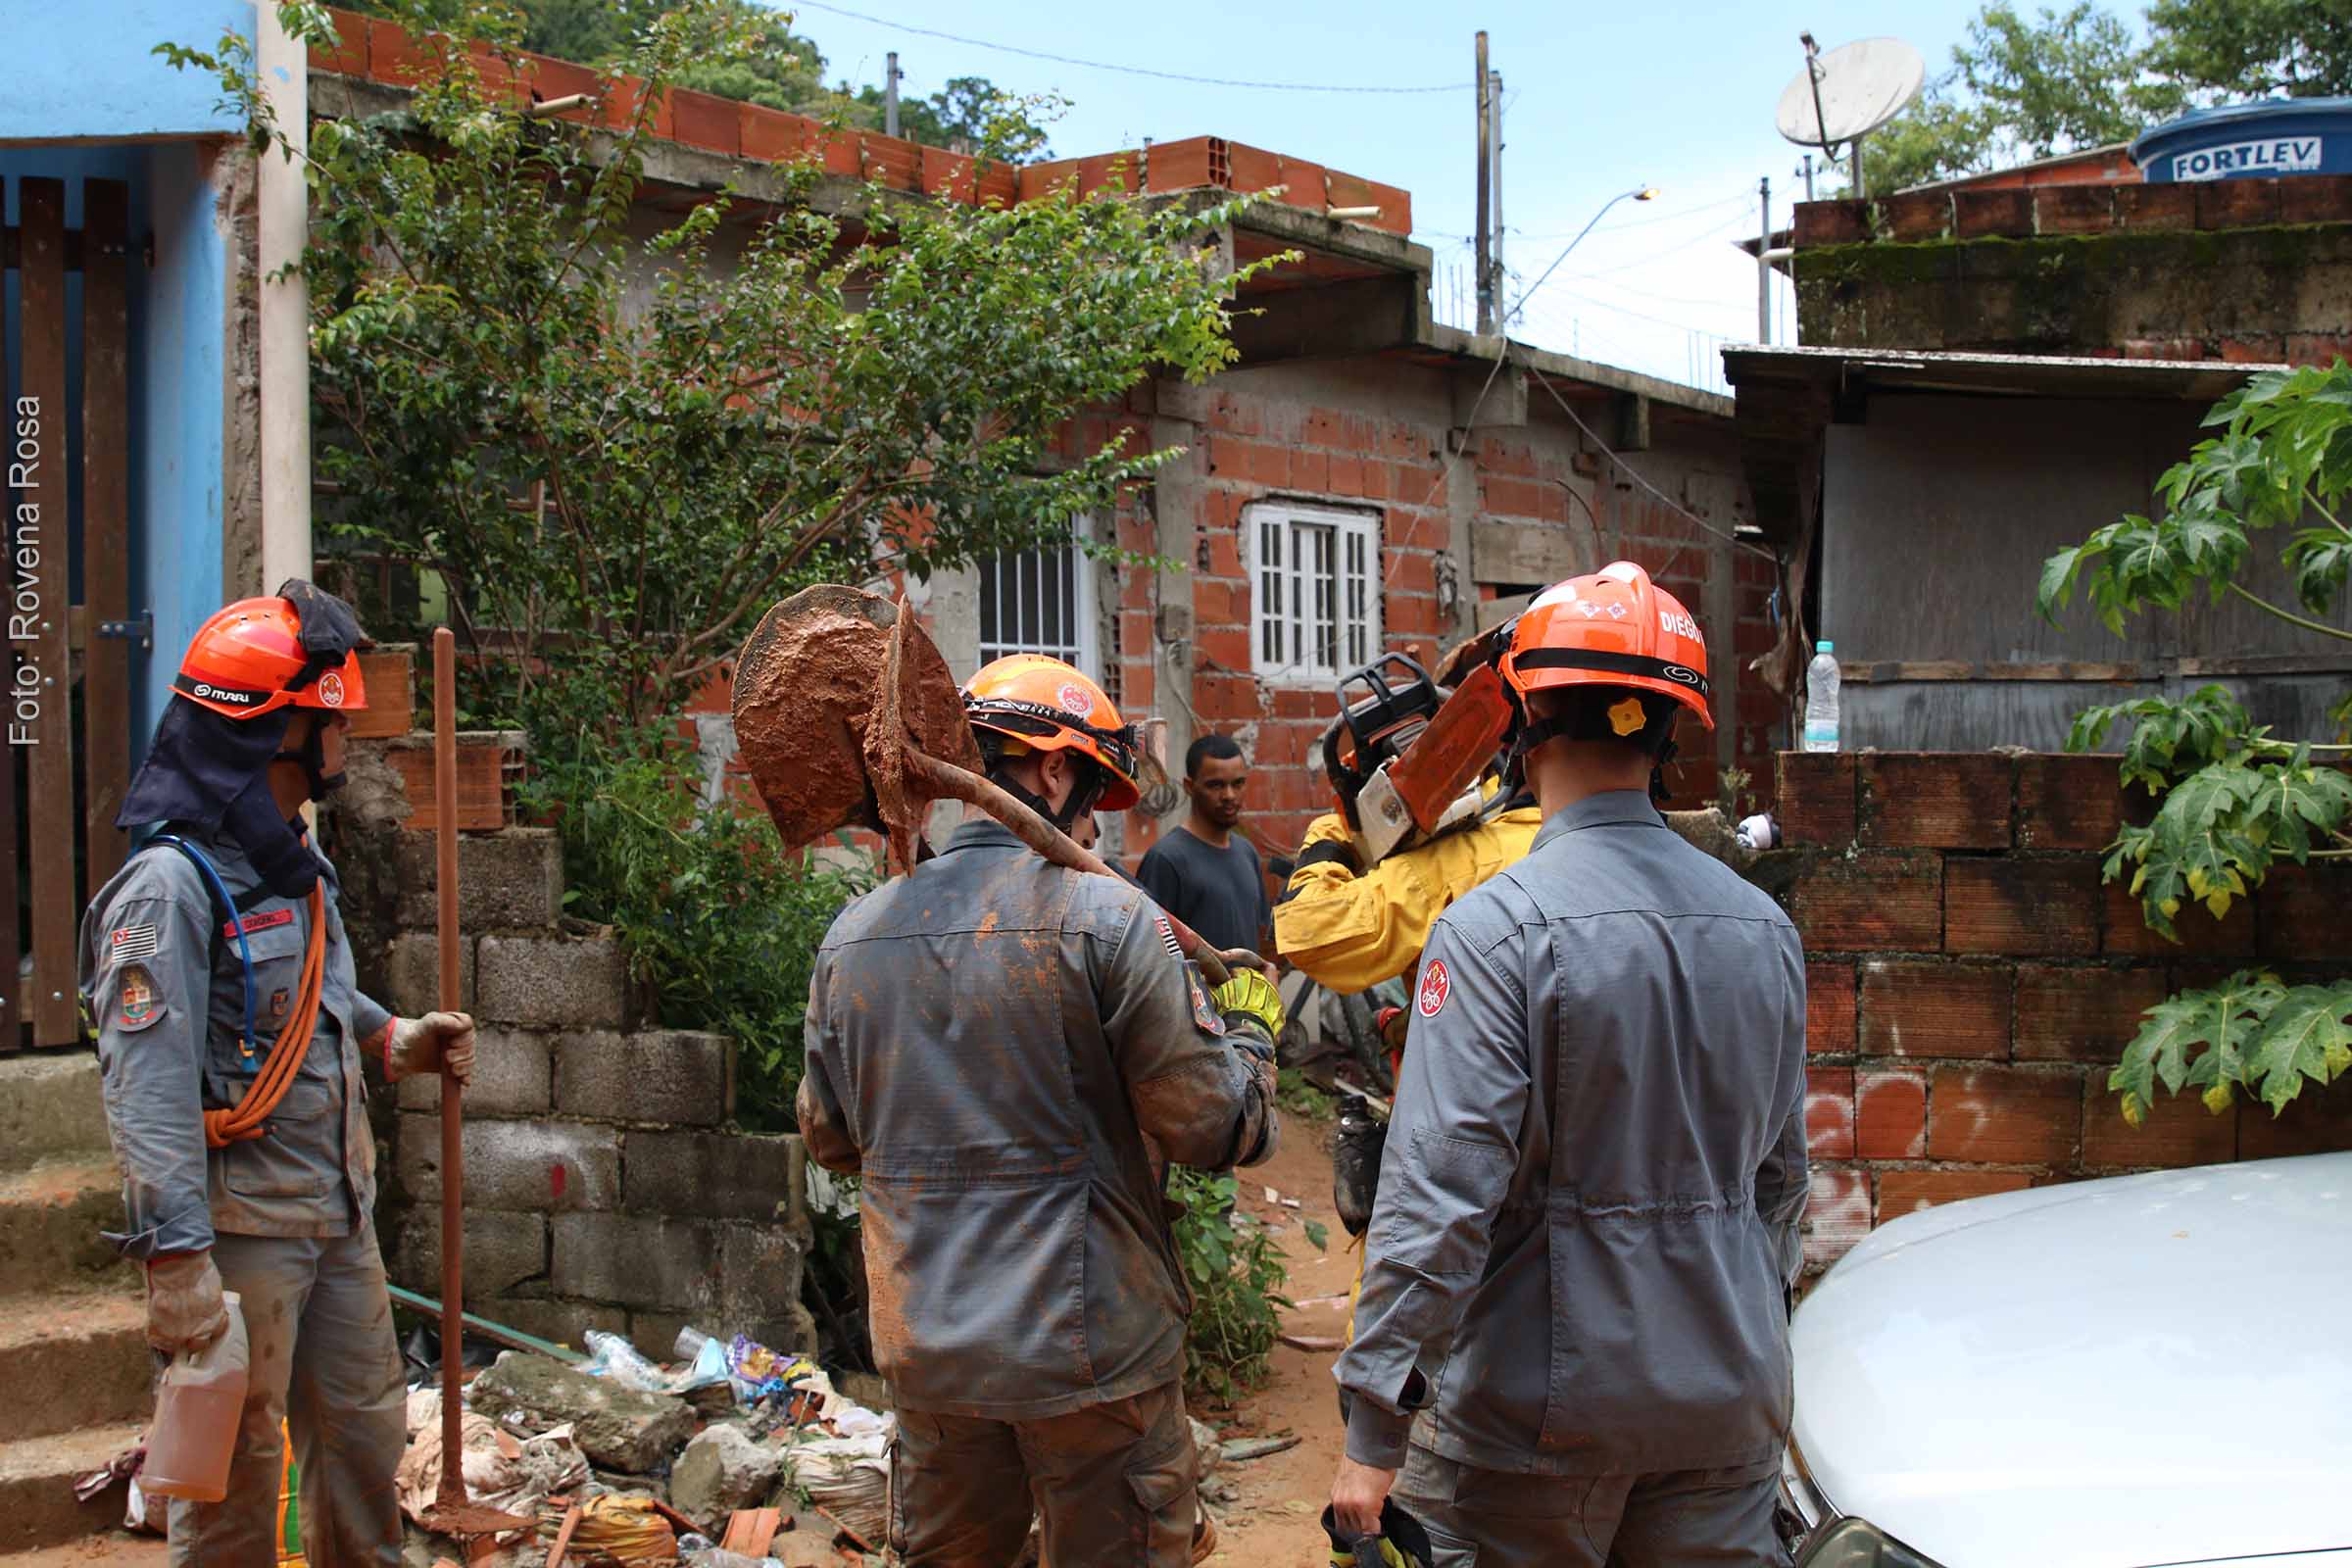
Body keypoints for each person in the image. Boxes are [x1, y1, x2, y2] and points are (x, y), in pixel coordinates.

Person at [1328, 563, 1810, 1565]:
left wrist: (1375, 1427)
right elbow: (1779, 1186)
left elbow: (1440, 1195)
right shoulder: (1764, 929)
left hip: (1532, 1429)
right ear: (1670, 729)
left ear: (1521, 718)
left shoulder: (1495, 931)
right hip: (1726, 1412)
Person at [797, 653, 1283, 1567]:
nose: (1096, 821)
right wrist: (1251, 1036)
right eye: (1093, 792)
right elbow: (1215, 1127)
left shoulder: (854, 937)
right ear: (1052, 770)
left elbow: (829, 1138)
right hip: (1092, 1358)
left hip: (932, 1359)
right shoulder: (1110, 922)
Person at [79, 583, 477, 1568]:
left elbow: (318, 1005)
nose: (342, 734)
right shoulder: (167, 891)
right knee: (235, 1495)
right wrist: (175, 1267)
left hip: (340, 1216)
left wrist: (398, 1040)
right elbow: (147, 1089)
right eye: (326, 717)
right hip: (241, 1237)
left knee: (365, 1452)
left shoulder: (295, 859)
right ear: (271, 731)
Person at [1137, 733, 1271, 960]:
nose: (1229, 795)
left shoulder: (1247, 852)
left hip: (1246, 995)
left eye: (1237, 784)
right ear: (1190, 786)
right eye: (1215, 785)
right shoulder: (1166, 859)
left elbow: (1260, 936)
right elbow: (1147, 954)